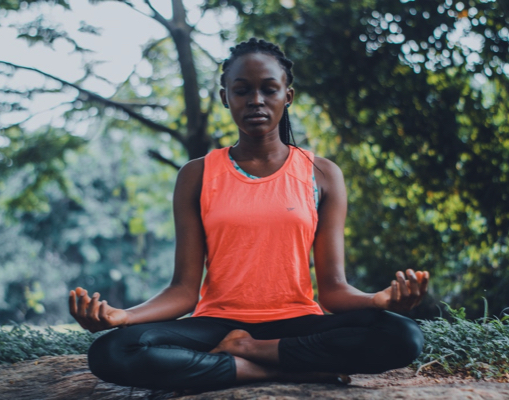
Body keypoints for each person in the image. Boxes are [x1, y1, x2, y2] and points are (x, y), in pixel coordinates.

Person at [69, 38, 429, 391]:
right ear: (226, 96)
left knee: (402, 335)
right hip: (216, 324)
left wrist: (378, 300)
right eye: (242, 90)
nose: (256, 100)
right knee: (114, 350)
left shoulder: (321, 174)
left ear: (287, 95)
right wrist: (123, 316)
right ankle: (271, 371)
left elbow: (333, 291)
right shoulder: (197, 175)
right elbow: (182, 290)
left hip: (296, 323)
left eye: (269, 89)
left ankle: (249, 352)